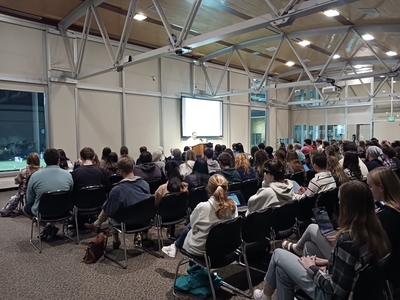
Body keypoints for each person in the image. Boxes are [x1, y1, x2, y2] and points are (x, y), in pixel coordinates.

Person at [253, 180, 391, 300]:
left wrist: (312, 268)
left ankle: (265, 296)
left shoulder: (348, 241)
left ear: (347, 207)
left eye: (340, 201)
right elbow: (353, 267)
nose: (338, 204)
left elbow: (335, 291)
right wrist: (328, 262)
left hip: (328, 295)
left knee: (278, 254)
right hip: (353, 289)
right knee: (282, 271)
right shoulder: (376, 231)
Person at [161, 174, 238, 258]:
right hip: (225, 247)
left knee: (190, 227)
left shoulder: (202, 207)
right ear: (226, 188)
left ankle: (176, 247)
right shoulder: (233, 205)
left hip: (201, 250)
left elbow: (193, 227)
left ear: (208, 189)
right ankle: (175, 246)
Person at [86, 157, 152, 249]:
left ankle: (115, 240)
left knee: (111, 208)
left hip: (125, 222)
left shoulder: (117, 190)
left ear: (120, 171)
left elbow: (110, 210)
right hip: (144, 220)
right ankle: (144, 237)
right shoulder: (145, 184)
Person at [23, 148, 73, 240]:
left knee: (26, 208)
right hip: (64, 210)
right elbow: (71, 192)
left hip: (43, 212)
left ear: (44, 161)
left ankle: (47, 225)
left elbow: (29, 199)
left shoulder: (35, 176)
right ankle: (50, 226)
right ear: (58, 160)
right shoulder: (68, 175)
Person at [368, 167, 400, 295]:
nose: (370, 191)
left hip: (389, 272)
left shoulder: (385, 217)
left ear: (381, 187)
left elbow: (373, 253)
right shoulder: (391, 211)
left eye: (370, 186)